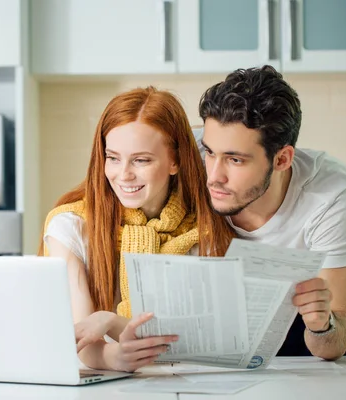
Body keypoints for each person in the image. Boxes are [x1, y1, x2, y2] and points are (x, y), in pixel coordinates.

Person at [196, 65, 346, 360]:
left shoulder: (331, 194)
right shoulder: (197, 159)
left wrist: (321, 325)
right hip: (250, 295)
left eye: (235, 159)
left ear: (282, 159)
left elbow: (335, 340)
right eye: (210, 152)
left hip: (325, 303)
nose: (213, 176)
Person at [39, 87, 234, 372]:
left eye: (141, 160)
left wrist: (113, 322)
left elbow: (204, 339)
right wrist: (114, 357)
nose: (124, 174)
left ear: (175, 161)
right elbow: (80, 338)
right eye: (113, 157)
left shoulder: (205, 229)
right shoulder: (70, 226)